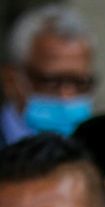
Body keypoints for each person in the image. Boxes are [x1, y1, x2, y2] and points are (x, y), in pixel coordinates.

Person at [0, 4, 95, 146]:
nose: (67, 96)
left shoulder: (96, 151)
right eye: (52, 82)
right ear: (10, 80)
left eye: (80, 83)